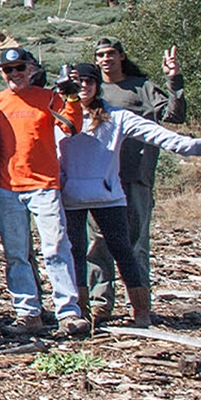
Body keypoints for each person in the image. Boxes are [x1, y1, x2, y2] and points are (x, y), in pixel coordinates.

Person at [58, 63, 201, 326]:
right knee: (75, 253)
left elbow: (156, 135)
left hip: (108, 197)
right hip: (70, 197)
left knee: (124, 251)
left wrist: (193, 146)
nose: (83, 86)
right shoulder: (58, 117)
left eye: (89, 81)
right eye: (77, 81)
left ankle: (141, 311)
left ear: (98, 85)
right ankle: (82, 311)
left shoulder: (116, 116)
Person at [0, 46, 90, 336]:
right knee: (16, 253)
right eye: (8, 70)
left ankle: (68, 312)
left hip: (44, 185)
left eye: (20, 68)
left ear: (31, 69)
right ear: (2, 74)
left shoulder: (48, 98)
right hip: (8, 187)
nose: (15, 74)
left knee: (55, 248)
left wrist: (71, 96)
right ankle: (27, 312)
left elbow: (71, 126)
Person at [83, 38, 187, 317]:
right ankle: (99, 303)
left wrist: (173, 79)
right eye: (101, 55)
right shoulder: (91, 89)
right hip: (98, 179)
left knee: (136, 243)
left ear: (122, 56)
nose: (106, 59)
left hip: (135, 176)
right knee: (98, 242)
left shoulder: (142, 87)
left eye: (111, 54)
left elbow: (175, 115)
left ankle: (139, 306)